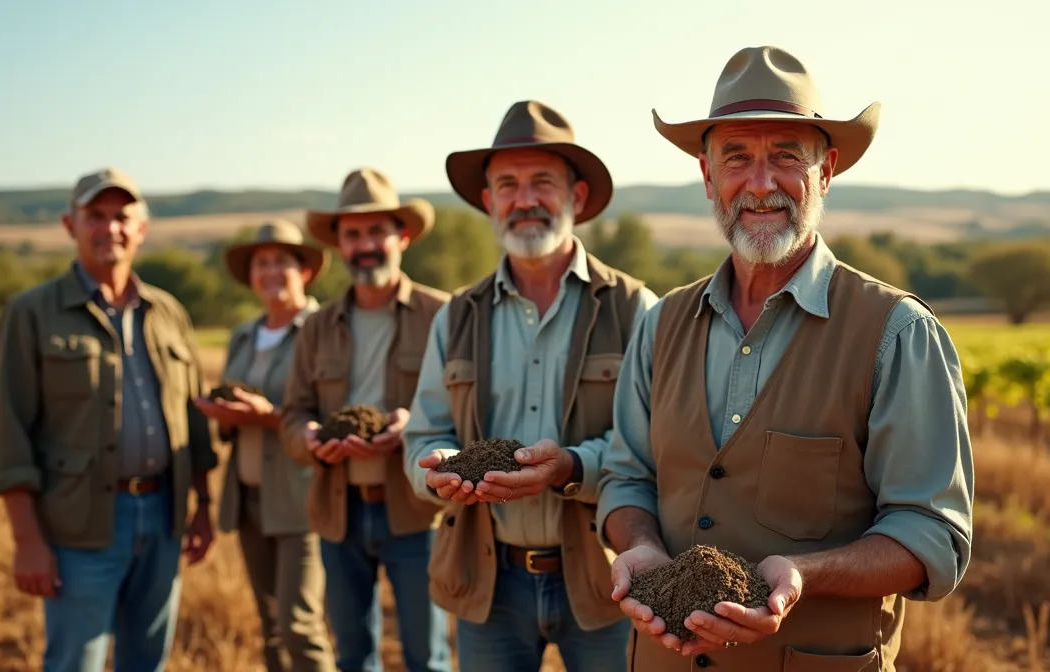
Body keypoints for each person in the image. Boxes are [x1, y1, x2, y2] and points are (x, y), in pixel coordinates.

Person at [596, 46, 975, 671]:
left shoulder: (897, 332)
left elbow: (933, 534)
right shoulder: (660, 324)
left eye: (786, 157)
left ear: (826, 172)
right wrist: (638, 544)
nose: (761, 183)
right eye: (736, 158)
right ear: (708, 176)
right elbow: (625, 476)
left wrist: (804, 574)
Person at [403, 100, 659, 672]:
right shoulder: (456, 316)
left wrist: (569, 467)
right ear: (489, 201)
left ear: (577, 197)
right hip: (487, 581)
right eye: (507, 185)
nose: (524, 200)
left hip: (607, 576)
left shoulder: (636, 309)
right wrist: (439, 469)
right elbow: (423, 435)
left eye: (542, 181)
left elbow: (654, 446)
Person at [0, 166, 218, 672]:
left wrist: (203, 504)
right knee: (76, 663)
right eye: (96, 215)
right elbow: (7, 430)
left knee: (147, 662)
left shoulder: (168, 312)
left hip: (164, 516)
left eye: (121, 216)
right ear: (70, 225)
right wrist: (27, 541)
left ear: (141, 229)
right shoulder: (32, 313)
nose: (110, 227)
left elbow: (193, 418)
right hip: (80, 526)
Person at [280, 167, 453, 672]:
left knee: (427, 657)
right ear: (339, 244)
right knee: (353, 656)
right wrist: (310, 438)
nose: (366, 245)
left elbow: (470, 411)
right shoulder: (317, 326)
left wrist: (411, 426)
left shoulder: (441, 315)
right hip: (339, 512)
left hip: (417, 512)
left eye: (377, 231)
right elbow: (294, 413)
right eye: (353, 234)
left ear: (403, 236)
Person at [193, 219, 337, 672]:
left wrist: (269, 416)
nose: (271, 272)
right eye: (261, 263)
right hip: (248, 498)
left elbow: (334, 418)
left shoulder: (324, 330)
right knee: (271, 626)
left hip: (300, 497)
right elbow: (233, 412)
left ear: (305, 271)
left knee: (299, 625)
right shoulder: (244, 334)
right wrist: (224, 416)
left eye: (281, 262)